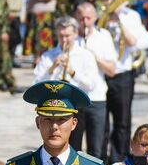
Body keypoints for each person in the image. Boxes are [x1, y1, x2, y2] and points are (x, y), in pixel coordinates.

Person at [34, 16, 105, 156]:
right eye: (61, 36)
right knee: (70, 148)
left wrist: (72, 72)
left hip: (85, 103)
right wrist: (52, 68)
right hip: (62, 107)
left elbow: (91, 84)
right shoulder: (48, 56)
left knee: (95, 148)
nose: (64, 39)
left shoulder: (85, 55)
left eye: (67, 35)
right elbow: (37, 83)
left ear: (75, 34)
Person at [101, 0, 148, 160]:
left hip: (122, 73)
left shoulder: (131, 16)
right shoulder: (99, 14)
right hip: (101, 74)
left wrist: (119, 21)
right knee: (101, 121)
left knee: (122, 121)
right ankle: (100, 158)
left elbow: (135, 42)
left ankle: (119, 159)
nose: (110, 2)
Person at [71, 0, 118, 159]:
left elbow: (112, 70)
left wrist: (95, 58)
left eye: (88, 18)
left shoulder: (103, 36)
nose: (85, 22)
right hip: (75, 99)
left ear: (95, 18)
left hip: (96, 98)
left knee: (96, 148)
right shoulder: (71, 38)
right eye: (81, 18)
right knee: (73, 147)